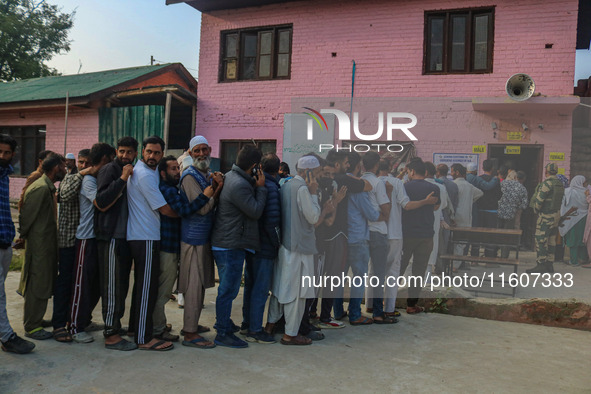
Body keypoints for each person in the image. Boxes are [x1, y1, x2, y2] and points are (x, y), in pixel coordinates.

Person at [211, 144, 267, 348]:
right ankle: (222, 332)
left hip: (228, 242)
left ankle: (223, 322)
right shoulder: (239, 185)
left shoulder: (233, 178)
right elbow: (254, 211)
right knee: (228, 290)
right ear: (254, 166)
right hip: (230, 244)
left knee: (227, 288)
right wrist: (261, 189)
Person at [156, 153, 215, 346]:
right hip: (174, 243)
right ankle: (162, 330)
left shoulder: (185, 181)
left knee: (195, 286)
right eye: (173, 169)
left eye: (177, 167)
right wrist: (210, 193)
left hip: (182, 242)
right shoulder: (181, 183)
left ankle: (183, 326)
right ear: (163, 173)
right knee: (173, 289)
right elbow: (189, 210)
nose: (177, 171)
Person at [267, 155, 326, 345]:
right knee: (298, 293)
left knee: (280, 288)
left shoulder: (286, 185)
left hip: (286, 245)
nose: (319, 176)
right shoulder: (303, 189)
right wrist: (315, 193)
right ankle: (290, 334)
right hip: (300, 249)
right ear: (308, 172)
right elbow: (314, 217)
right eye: (317, 172)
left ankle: (270, 326)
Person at [126, 136, 178, 351]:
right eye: (149, 152)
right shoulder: (145, 175)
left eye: (157, 153)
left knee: (142, 287)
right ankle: (143, 338)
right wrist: (187, 213)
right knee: (147, 290)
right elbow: (164, 209)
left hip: (146, 236)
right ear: (142, 151)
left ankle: (134, 329)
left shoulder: (149, 170)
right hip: (144, 236)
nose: (152, 156)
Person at [316, 150, 370, 329]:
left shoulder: (315, 183)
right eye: (346, 163)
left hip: (319, 236)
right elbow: (368, 186)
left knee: (320, 277)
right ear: (338, 164)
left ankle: (320, 313)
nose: (348, 166)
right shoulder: (343, 180)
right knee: (333, 277)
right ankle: (326, 316)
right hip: (337, 235)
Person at [178, 136, 223, 349]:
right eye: (197, 150)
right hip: (193, 239)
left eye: (205, 149)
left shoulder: (203, 173)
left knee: (200, 287)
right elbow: (204, 208)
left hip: (202, 237)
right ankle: (189, 333)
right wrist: (216, 189)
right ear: (190, 153)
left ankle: (192, 324)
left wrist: (215, 186)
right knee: (193, 286)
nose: (202, 154)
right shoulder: (189, 176)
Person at [69, 143, 116, 344]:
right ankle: (74, 327)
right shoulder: (88, 180)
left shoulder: (95, 178)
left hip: (96, 238)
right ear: (105, 159)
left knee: (94, 285)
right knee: (81, 284)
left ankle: (85, 320)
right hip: (85, 238)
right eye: (112, 158)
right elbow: (100, 204)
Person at [95, 136, 137, 351]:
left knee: (121, 286)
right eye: (121, 151)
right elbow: (101, 201)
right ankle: (111, 334)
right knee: (112, 286)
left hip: (124, 238)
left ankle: (116, 325)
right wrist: (122, 178)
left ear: (135, 154)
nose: (124, 155)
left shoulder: (133, 172)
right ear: (115, 152)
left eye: (129, 152)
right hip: (110, 236)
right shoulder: (110, 170)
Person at [19, 154, 66, 340]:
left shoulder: (48, 187)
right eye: (63, 166)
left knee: (45, 281)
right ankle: (31, 326)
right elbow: (26, 217)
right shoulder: (40, 188)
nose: (65, 169)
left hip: (46, 244)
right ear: (55, 168)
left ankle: (36, 320)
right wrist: (24, 238)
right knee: (37, 284)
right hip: (39, 245)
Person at [0, 134, 35, 354]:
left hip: (5, 241)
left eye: (6, 152)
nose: (1, 156)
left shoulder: (6, 175)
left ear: (13, 154)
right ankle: (6, 336)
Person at [241, 153, 281, 344]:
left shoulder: (255, 184)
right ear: (278, 170)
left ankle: (247, 324)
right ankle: (255, 330)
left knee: (250, 286)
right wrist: (277, 243)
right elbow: (272, 221)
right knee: (260, 290)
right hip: (264, 247)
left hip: (251, 244)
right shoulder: (272, 188)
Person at [53, 148, 91, 343]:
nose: (83, 166)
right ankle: (59, 324)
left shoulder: (90, 180)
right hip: (68, 240)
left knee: (80, 285)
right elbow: (64, 196)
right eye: (81, 162)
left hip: (82, 239)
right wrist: (82, 174)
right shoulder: (71, 177)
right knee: (65, 283)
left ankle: (76, 319)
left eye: (87, 163)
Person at [399, 158, 440, 314]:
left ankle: (386, 301)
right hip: (426, 234)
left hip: (406, 233)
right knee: (418, 271)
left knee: (400, 267)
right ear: (426, 172)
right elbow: (435, 207)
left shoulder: (404, 187)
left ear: (412, 171)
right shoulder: (434, 188)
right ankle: (411, 304)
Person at [343, 153, 378, 325]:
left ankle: (337, 310)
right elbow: (371, 214)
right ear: (358, 166)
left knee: (340, 276)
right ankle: (355, 313)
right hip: (358, 236)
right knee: (358, 276)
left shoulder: (339, 182)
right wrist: (383, 213)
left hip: (342, 236)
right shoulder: (359, 187)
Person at [361, 152, 394, 324]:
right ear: (376, 166)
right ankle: (378, 313)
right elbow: (386, 211)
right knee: (379, 273)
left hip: (361, 230)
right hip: (378, 231)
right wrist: (388, 193)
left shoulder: (359, 182)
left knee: (360, 272)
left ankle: (360, 308)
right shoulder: (378, 183)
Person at [526, 163, 565, 274]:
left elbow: (539, 200)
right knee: (551, 240)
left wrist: (535, 210)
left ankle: (541, 264)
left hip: (546, 216)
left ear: (546, 172)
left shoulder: (547, 184)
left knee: (540, 239)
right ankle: (549, 264)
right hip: (556, 215)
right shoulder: (559, 184)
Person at [450, 163, 482, 270]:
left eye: (452, 171)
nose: (451, 173)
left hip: (454, 216)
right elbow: (480, 193)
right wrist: (470, 201)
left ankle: (453, 265)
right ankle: (456, 265)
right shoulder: (469, 186)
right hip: (466, 217)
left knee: (452, 242)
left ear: (457, 172)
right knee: (461, 243)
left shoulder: (453, 185)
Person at [424, 162, 449, 279]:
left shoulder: (411, 185)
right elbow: (443, 205)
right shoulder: (441, 187)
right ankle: (426, 286)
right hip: (433, 224)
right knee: (430, 257)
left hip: (416, 226)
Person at [497, 171, 529, 258]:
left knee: (496, 233)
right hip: (511, 214)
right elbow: (524, 205)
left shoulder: (502, 183)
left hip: (498, 212)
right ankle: (504, 256)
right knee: (507, 235)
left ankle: (493, 253)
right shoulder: (522, 188)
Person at [558, 175, 588, 266]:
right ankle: (583, 259)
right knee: (583, 239)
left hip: (572, 219)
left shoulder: (569, 192)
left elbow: (564, 205)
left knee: (573, 239)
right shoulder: (586, 193)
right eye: (584, 182)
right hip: (584, 219)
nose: (585, 184)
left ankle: (573, 261)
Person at [474, 160, 502, 257]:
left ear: (482, 168)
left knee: (477, 235)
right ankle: (489, 258)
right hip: (492, 210)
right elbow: (499, 195)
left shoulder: (478, 179)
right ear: (492, 169)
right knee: (490, 235)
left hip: (479, 209)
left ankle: (474, 259)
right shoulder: (495, 180)